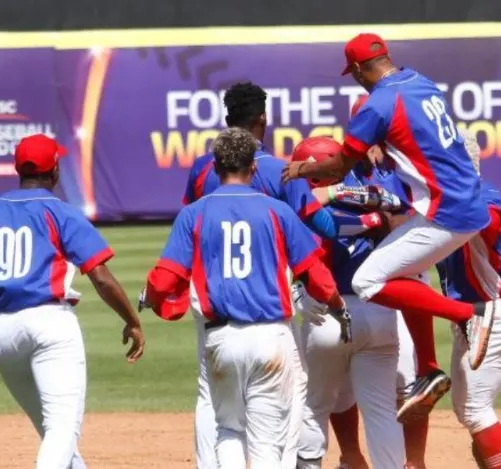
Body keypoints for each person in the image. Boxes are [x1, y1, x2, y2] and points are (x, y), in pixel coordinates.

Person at [281, 32, 500, 372]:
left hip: (445, 210)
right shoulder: (420, 81)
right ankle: (427, 369)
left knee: (366, 281)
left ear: (356, 69)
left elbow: (340, 165)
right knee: (408, 272)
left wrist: (301, 169)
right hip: (468, 200)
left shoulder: (378, 104)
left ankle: (468, 316)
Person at [141, 127, 350, 469]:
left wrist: (147, 297)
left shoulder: (194, 213)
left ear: (215, 167)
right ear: (254, 167)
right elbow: (316, 276)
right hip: (271, 337)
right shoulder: (277, 211)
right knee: (268, 441)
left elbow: (164, 280)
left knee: (228, 429)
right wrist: (338, 307)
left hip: (220, 339)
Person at [0, 134, 146, 469]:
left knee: (56, 437)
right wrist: (132, 320)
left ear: (17, 169)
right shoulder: (59, 212)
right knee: (62, 431)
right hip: (51, 326)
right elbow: (100, 276)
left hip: (1, 333)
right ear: (54, 171)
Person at [182, 82, 335, 469]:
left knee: (211, 396)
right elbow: (322, 226)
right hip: (267, 299)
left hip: (211, 297)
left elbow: (190, 222)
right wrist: (338, 198)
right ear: (263, 119)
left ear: (227, 118)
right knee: (281, 396)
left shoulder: (203, 169)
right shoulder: (278, 170)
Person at [291, 136, 409, 469]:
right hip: (379, 312)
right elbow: (396, 205)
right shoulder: (370, 194)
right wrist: (368, 220)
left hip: (327, 315)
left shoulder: (301, 206)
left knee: (314, 406)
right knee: (383, 411)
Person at [438, 130, 501, 469]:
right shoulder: (441, 199)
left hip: (493, 315)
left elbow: (490, 221)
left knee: (475, 411)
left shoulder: (483, 193)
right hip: (469, 318)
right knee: (466, 411)